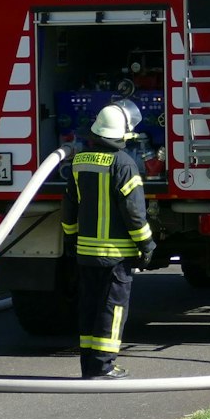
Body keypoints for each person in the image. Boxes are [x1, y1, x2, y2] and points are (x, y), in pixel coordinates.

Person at [62, 101, 153, 380]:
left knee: (88, 307)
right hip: (115, 254)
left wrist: (70, 237)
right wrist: (146, 245)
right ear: (123, 132)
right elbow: (134, 213)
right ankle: (103, 367)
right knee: (112, 310)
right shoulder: (125, 165)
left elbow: (69, 206)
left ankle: (89, 365)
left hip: (86, 253)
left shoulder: (79, 161)